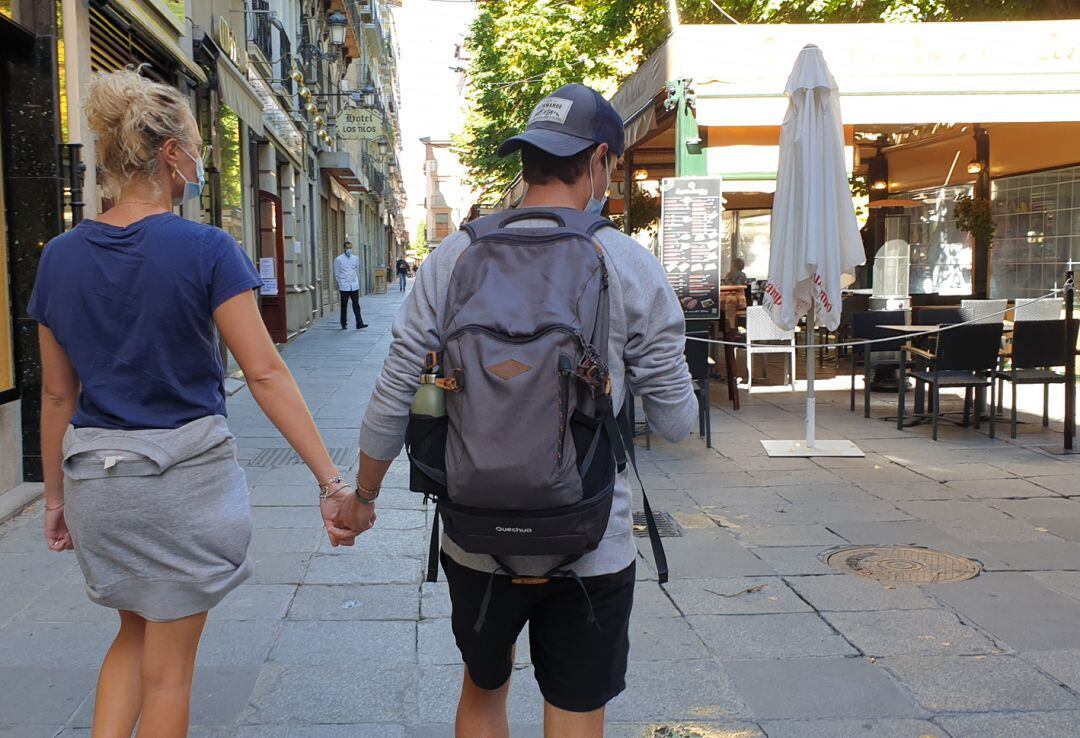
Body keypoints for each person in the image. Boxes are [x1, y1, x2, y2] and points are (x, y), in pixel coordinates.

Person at [336, 83, 695, 737]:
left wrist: (360, 495)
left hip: (476, 536)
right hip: (590, 538)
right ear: (601, 162)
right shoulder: (630, 263)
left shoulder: (452, 257)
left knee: (483, 689)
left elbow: (394, 392)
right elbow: (675, 421)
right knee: (577, 708)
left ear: (525, 160)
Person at [29, 69, 374, 738]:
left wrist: (53, 498)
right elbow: (266, 373)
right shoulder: (207, 248)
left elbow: (55, 393)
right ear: (168, 154)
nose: (201, 161)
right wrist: (331, 481)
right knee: (171, 673)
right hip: (182, 485)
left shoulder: (58, 257)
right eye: (196, 147)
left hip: (98, 484)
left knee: (133, 635)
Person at [335, 241, 367, 329]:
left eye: (350, 248)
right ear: (344, 248)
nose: (349, 249)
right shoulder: (339, 259)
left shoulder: (355, 258)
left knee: (356, 304)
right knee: (344, 306)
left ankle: (359, 323)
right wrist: (341, 283)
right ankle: (343, 323)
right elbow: (336, 273)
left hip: (354, 285)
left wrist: (356, 281)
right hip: (344, 286)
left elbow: (357, 270)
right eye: (347, 248)